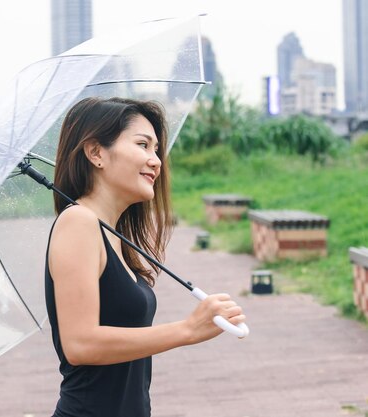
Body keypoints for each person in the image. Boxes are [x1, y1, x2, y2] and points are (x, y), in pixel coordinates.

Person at [44, 97, 246, 417]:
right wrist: (188, 329)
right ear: (96, 152)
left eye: (156, 149)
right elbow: (80, 344)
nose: (156, 161)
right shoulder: (78, 222)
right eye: (143, 145)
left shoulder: (113, 233)